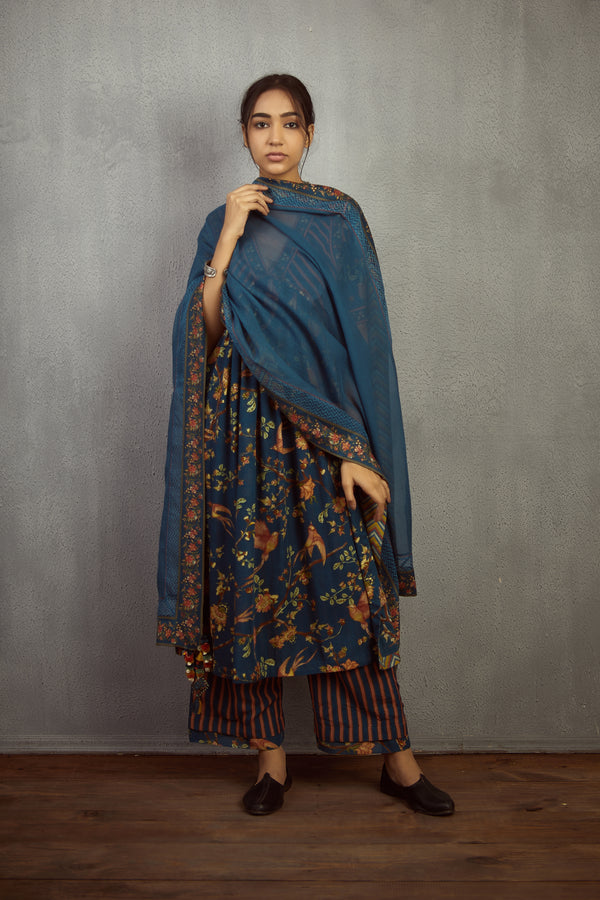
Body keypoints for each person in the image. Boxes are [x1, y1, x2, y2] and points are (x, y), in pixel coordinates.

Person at [157, 74, 454, 817]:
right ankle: (272, 765)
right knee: (251, 589)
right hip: (241, 438)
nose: (275, 137)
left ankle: (397, 763)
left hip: (320, 436)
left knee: (348, 593)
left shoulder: (339, 219)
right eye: (261, 123)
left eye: (289, 123)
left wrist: (353, 447)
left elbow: (361, 345)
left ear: (310, 134)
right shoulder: (221, 220)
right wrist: (229, 236)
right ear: (245, 134)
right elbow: (207, 333)